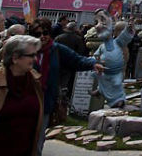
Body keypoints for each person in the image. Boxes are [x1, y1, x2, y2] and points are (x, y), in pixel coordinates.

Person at [29, 17, 102, 152]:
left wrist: (92, 64)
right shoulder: (25, 49)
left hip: (45, 99)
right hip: (26, 98)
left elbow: (76, 60)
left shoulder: (56, 49)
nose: (42, 37)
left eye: (45, 33)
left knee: (38, 137)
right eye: (37, 34)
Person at [89, 12, 133, 107]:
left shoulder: (119, 42)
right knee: (103, 80)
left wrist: (128, 29)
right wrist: (94, 60)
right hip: (105, 70)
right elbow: (96, 55)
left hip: (116, 71)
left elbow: (125, 37)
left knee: (117, 84)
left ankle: (119, 99)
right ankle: (100, 91)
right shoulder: (103, 46)